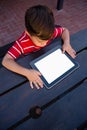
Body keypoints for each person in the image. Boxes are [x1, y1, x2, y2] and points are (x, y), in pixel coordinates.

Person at [2, 5, 76, 89]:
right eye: (40, 41)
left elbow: (64, 30)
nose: (44, 44)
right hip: (29, 64)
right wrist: (27, 73)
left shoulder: (49, 32)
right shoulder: (22, 44)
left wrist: (66, 43)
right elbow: (6, 61)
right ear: (28, 33)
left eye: (47, 39)